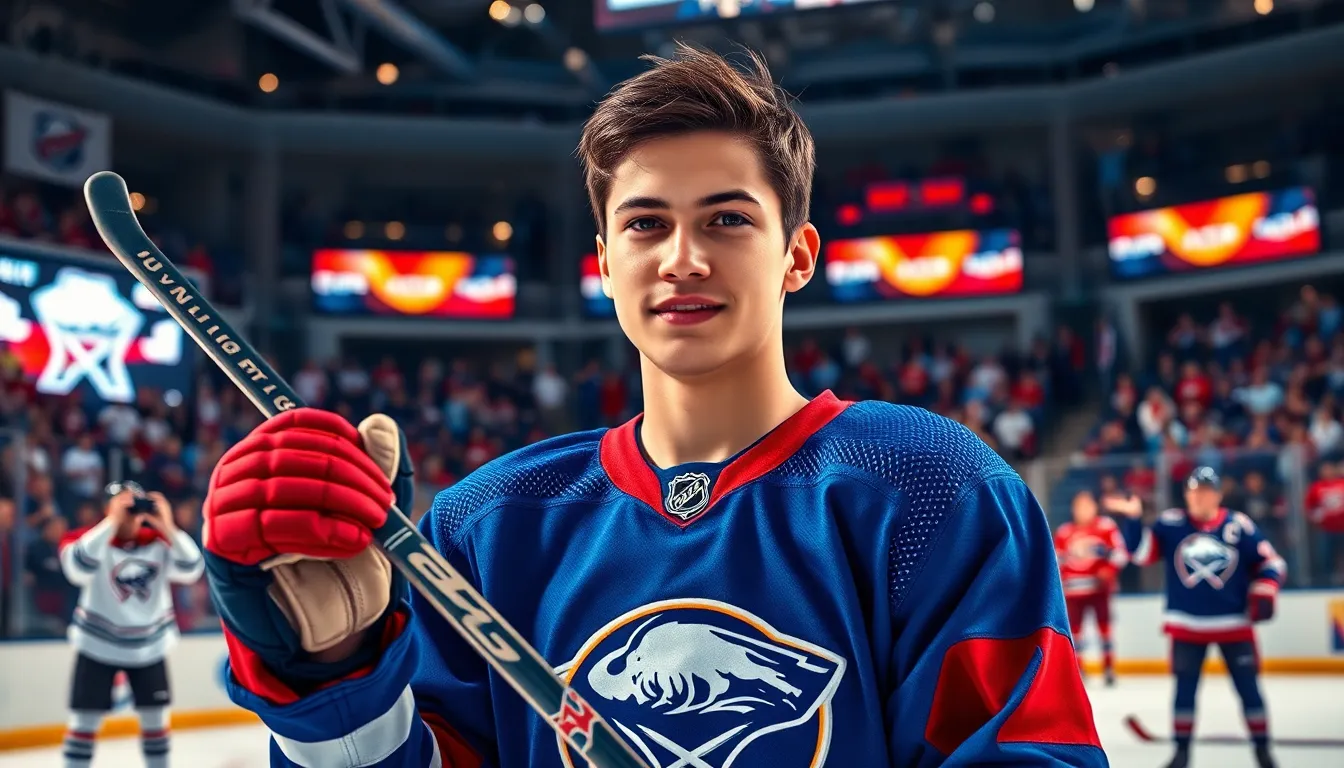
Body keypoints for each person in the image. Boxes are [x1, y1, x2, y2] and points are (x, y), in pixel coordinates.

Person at [200, 45, 1107, 766]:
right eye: (645, 224)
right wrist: (332, 678)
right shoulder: (487, 524)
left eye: (727, 218)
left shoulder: (928, 489)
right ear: (604, 261)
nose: (682, 258)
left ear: (797, 255)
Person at [1113, 467, 1285, 768]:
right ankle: (1181, 754)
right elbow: (1140, 555)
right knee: (1184, 692)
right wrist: (1133, 519)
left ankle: (1263, 752)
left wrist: (1266, 586)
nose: (1199, 497)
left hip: (1235, 624)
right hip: (1186, 625)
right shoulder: (1171, 523)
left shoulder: (1238, 525)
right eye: (1194, 491)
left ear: (1217, 494)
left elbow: (1272, 562)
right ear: (1186, 495)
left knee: (1249, 690)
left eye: (1205, 491)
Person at [57, 481, 205, 768]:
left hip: (149, 646)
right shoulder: (88, 540)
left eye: (135, 507)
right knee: (83, 721)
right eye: (124, 506)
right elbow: (77, 569)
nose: (132, 515)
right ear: (107, 508)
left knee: (156, 720)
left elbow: (192, 569)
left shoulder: (159, 542)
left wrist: (168, 527)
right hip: (97, 643)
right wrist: (111, 523)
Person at [1055, 490, 1127, 685]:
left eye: (1087, 505)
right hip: (1073, 592)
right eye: (1079, 506)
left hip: (1099, 589)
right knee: (1075, 633)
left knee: (1105, 629)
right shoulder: (1064, 532)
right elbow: (1056, 562)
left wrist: (1108, 570)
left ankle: (1109, 667)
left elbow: (1120, 554)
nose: (1083, 510)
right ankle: (1078, 669)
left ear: (1095, 507)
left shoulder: (1106, 527)